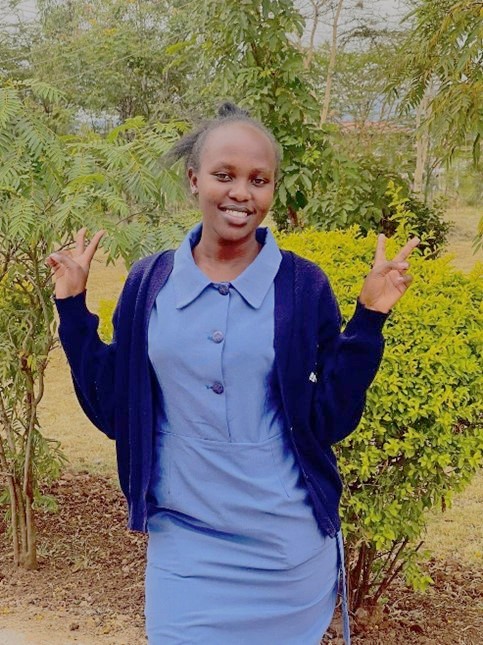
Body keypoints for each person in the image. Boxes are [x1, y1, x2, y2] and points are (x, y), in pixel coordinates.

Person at [46, 103, 419, 645]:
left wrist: (368, 321)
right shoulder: (150, 282)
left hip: (286, 549)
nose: (241, 193)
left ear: (272, 189)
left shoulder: (302, 286)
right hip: (185, 543)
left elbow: (328, 420)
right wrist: (73, 310)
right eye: (224, 175)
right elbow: (113, 407)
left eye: (258, 180)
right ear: (194, 179)